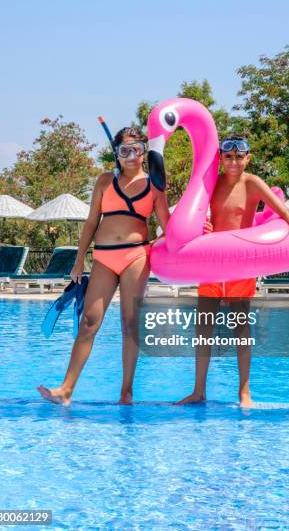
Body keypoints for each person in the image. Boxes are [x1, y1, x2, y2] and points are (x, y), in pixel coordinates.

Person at [176, 136, 289, 408]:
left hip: (240, 266)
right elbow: (191, 215)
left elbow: (286, 214)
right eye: (228, 157)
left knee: (241, 327)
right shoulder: (210, 184)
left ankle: (244, 392)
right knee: (203, 328)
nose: (234, 162)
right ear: (220, 158)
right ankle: (198, 391)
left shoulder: (252, 184)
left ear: (248, 158)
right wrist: (200, 230)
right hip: (213, 265)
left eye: (239, 157)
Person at [38, 124, 170, 405]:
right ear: (117, 153)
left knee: (130, 324)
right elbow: (90, 223)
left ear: (144, 153)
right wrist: (78, 261)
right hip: (104, 257)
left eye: (136, 149)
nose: (131, 155)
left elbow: (167, 225)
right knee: (89, 321)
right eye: (125, 150)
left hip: (136, 255)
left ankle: (126, 392)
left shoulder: (155, 185)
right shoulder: (103, 181)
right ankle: (66, 389)